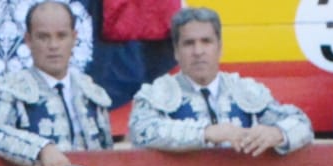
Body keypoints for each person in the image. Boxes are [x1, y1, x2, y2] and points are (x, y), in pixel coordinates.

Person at [127, 7, 313, 155]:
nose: (198, 51)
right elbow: (142, 130)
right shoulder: (157, 94)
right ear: (176, 51)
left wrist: (277, 133)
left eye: (206, 41)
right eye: (189, 43)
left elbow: (301, 124)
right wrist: (206, 133)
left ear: (220, 48)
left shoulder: (245, 90)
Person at [0, 0, 113, 166]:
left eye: (61, 36)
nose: (53, 46)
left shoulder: (91, 93)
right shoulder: (8, 90)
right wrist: (41, 149)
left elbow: (107, 154)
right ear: (28, 40)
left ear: (74, 38)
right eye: (43, 37)